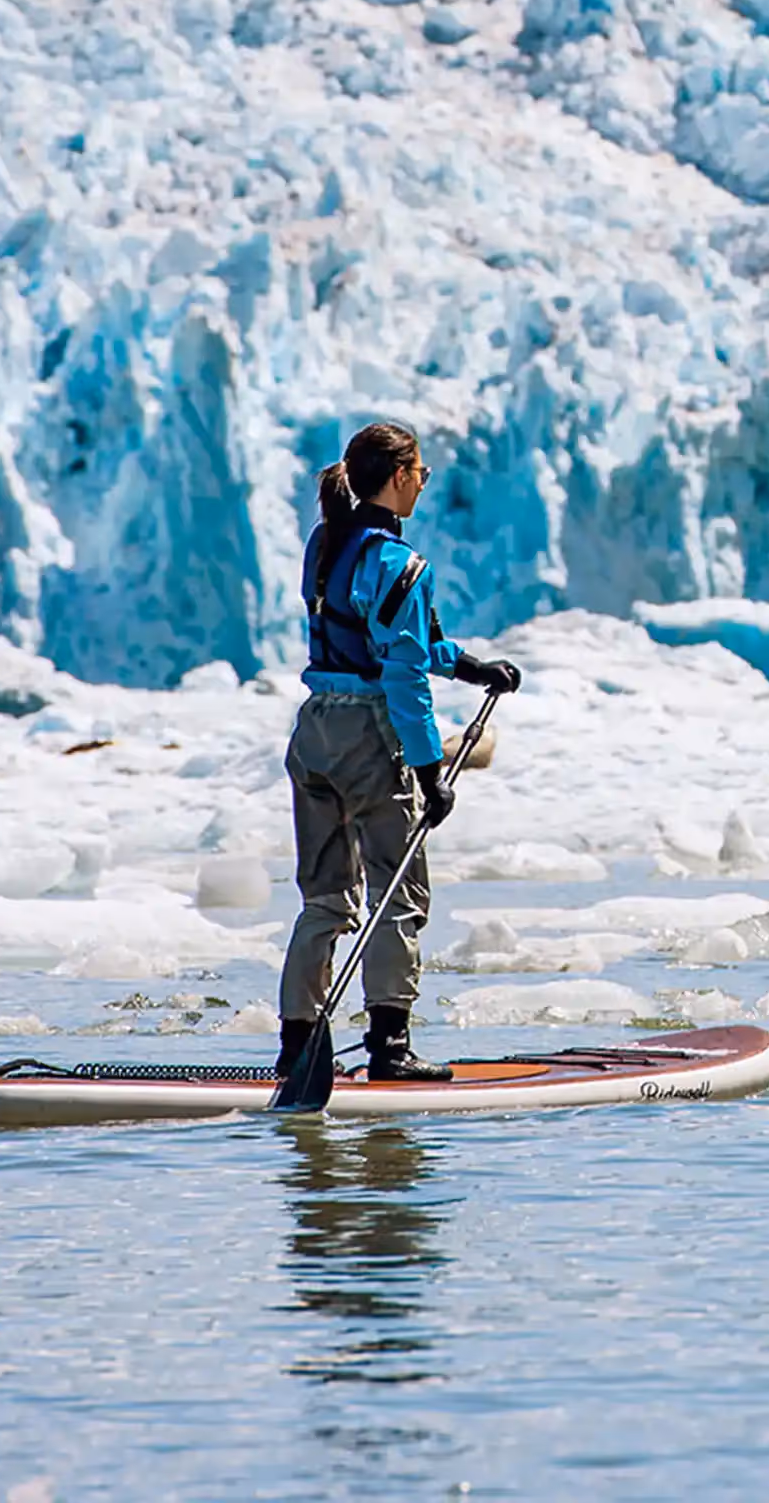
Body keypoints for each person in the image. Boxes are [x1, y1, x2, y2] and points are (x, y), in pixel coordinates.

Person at [276, 421, 520, 1083]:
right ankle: (390, 1049)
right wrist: (429, 771)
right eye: (421, 472)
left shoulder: (325, 544)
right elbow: (403, 676)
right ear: (398, 476)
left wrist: (472, 668)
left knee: (324, 900)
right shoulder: (401, 565)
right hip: (366, 738)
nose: (424, 484)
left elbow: (385, 642)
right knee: (399, 891)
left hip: (314, 731)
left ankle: (298, 1046)